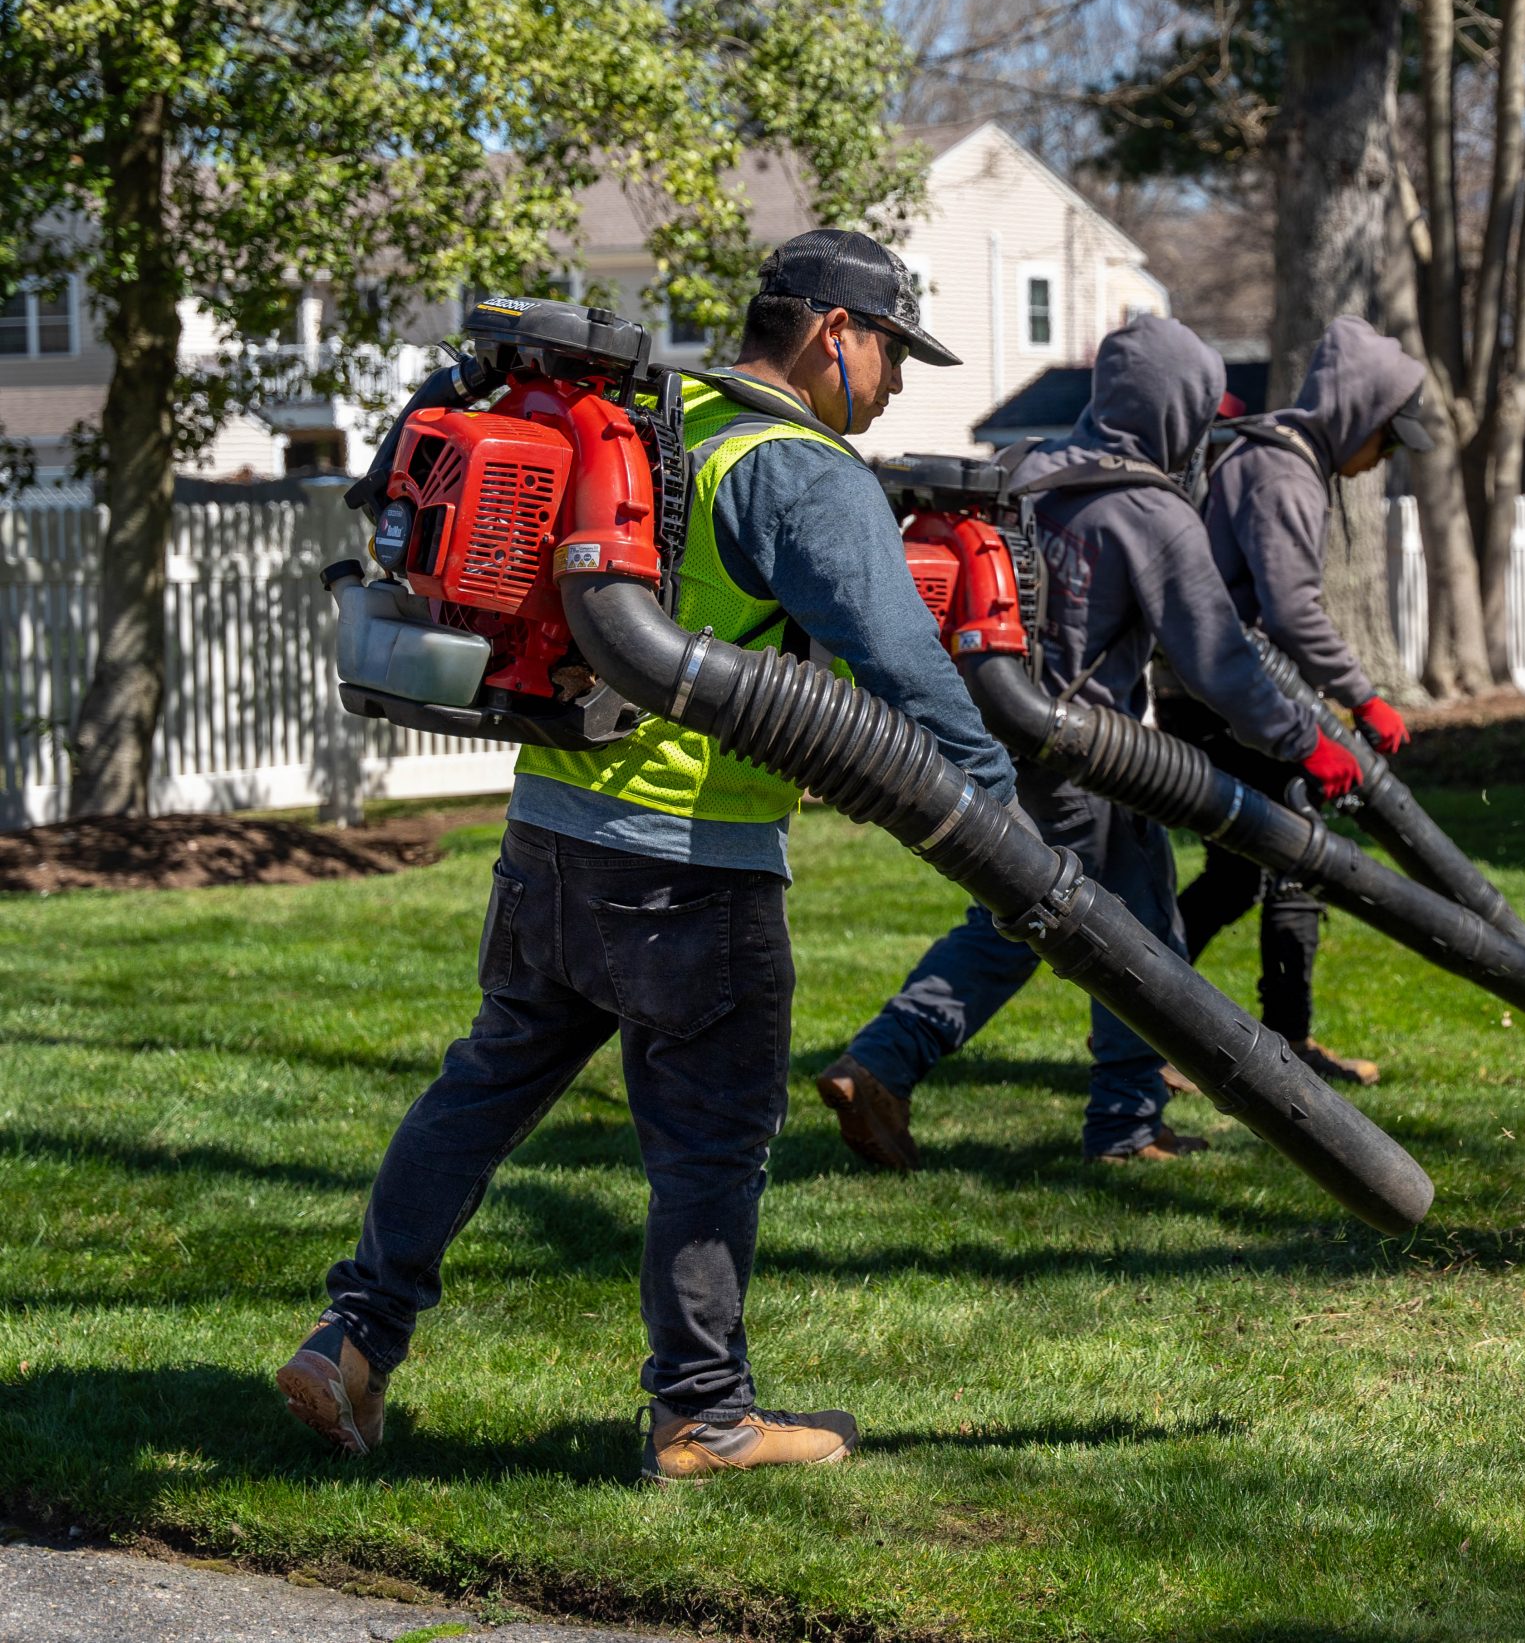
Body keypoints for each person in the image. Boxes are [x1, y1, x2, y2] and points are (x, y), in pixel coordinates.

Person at [276, 229, 1016, 1482]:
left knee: (480, 1093)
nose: (895, 386)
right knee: (712, 1143)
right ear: (836, 335)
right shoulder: (801, 468)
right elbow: (902, 669)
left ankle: (354, 1336)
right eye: (893, 353)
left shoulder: (662, 430)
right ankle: (703, 1415)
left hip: (550, 839)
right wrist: (992, 812)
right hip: (695, 864)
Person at [818, 314, 1360, 1170]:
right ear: (1175, 409)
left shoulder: (1018, 475)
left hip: (992, 739)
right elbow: (1220, 662)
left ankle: (893, 1069)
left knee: (1035, 915)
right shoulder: (1151, 511)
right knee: (1119, 936)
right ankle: (1112, 1120)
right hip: (1092, 761)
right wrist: (1306, 742)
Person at [1156, 316, 1431, 1087]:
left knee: (1237, 874)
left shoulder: (1277, 456)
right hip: (1228, 692)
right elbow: (1291, 610)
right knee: (1297, 858)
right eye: (1389, 441)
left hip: (1212, 686)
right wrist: (1362, 698)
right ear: (1361, 417)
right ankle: (1284, 1041)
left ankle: (1150, 1028)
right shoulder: (1284, 472)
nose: (1383, 459)